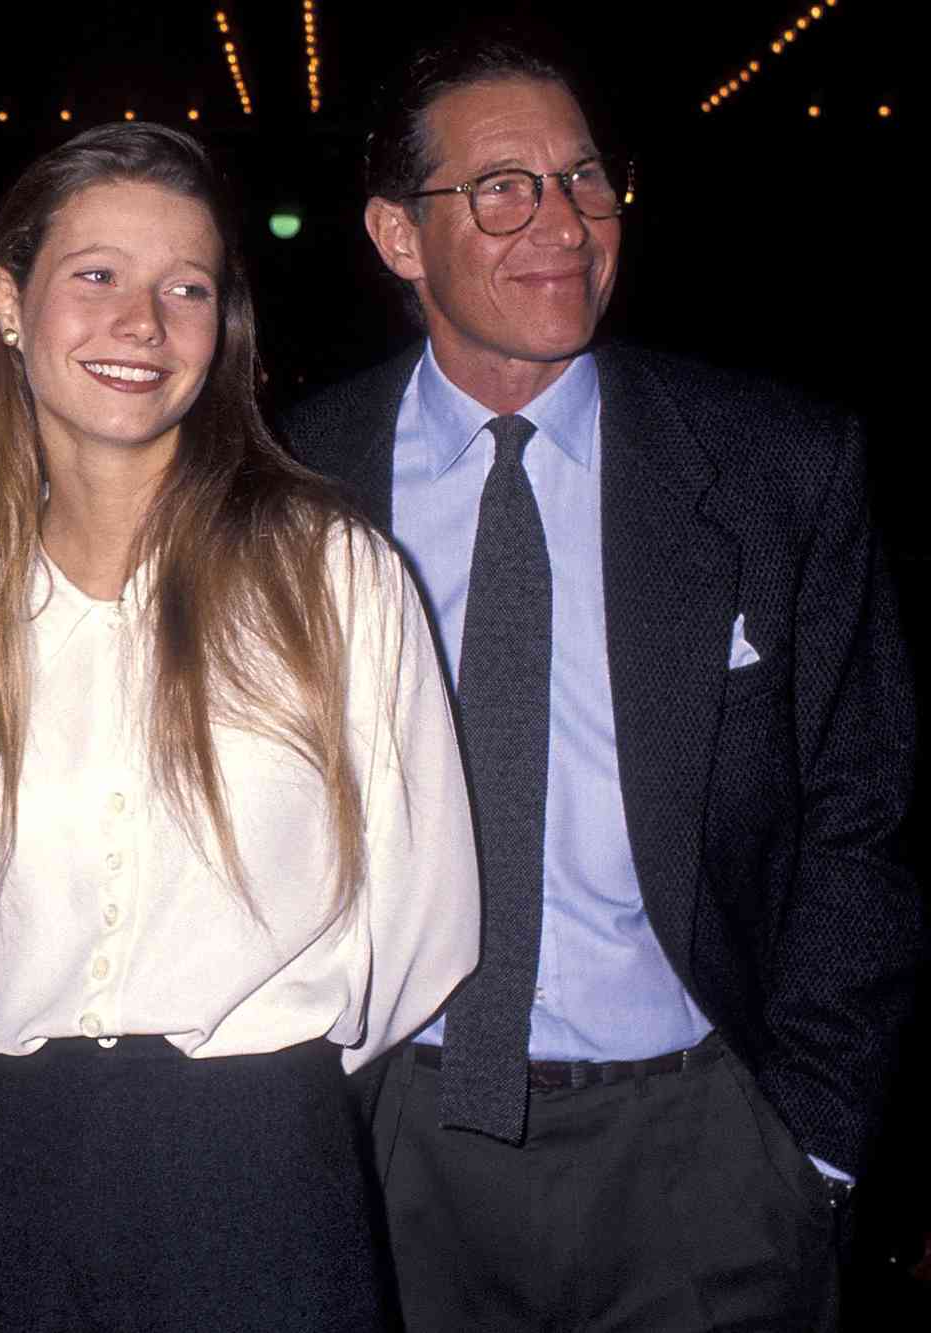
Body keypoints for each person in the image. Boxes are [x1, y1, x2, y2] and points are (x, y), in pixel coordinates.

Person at [285, 28, 920, 1330]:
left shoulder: (773, 467)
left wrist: (812, 1146)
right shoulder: (297, 481)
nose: (564, 225)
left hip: (706, 1148)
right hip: (399, 1141)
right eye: (502, 188)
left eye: (584, 180)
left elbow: (864, 815)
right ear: (401, 237)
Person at [0, 121, 479, 1332]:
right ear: (9, 301)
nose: (143, 323)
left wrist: (256, 1087)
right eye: (95, 275)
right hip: (0, 1174)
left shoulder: (333, 576)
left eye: (186, 288)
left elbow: (425, 927)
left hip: (262, 1178)